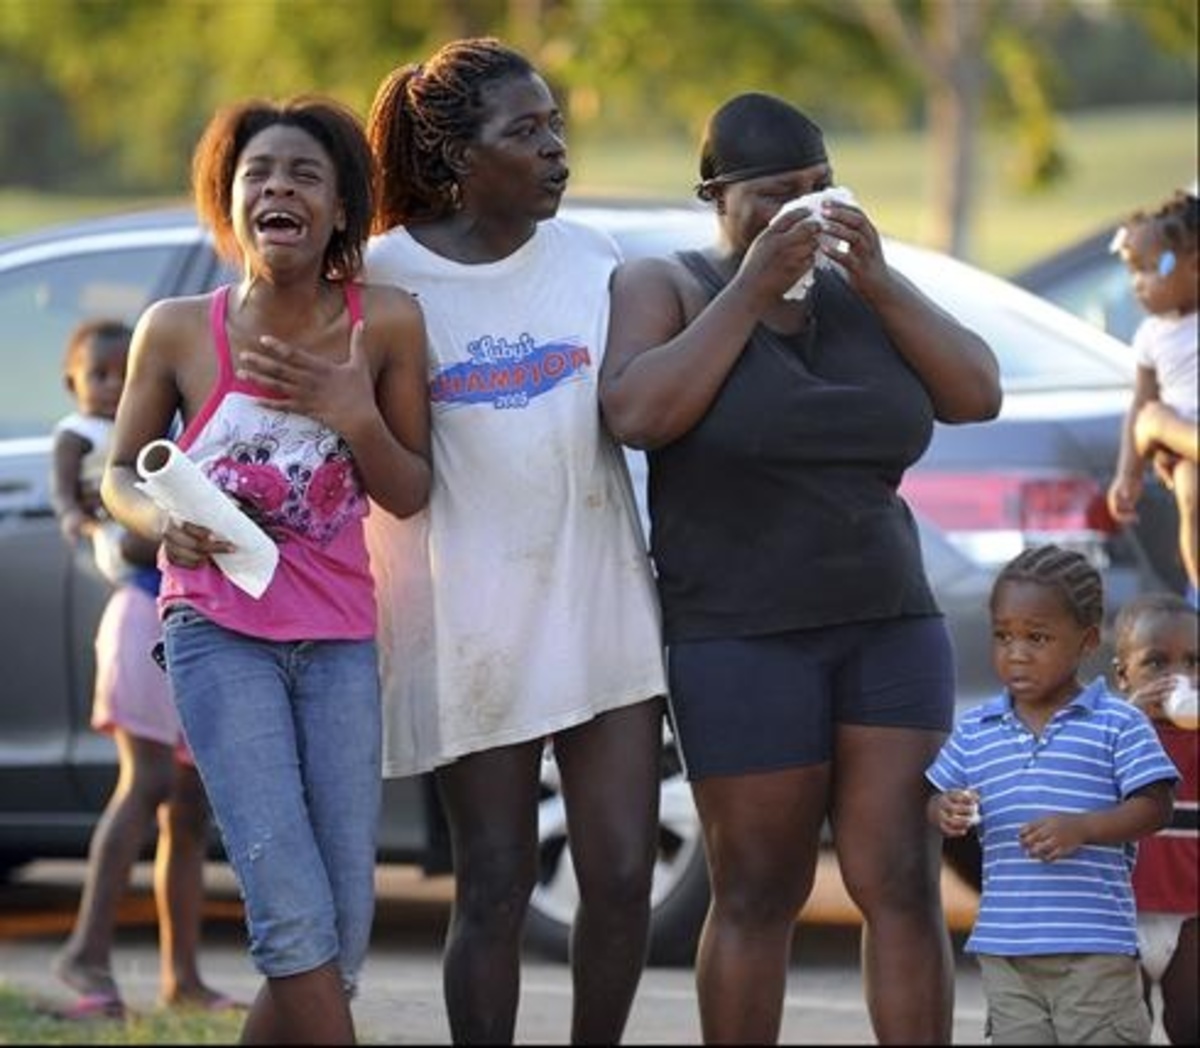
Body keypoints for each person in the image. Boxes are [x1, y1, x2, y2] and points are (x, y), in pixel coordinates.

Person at [597, 90, 1002, 1045]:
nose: (803, 211)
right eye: (777, 195)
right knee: (760, 885)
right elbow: (638, 415)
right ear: (716, 196)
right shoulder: (670, 284)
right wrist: (749, 290)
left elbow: (976, 392)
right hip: (740, 632)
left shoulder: (862, 291)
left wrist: (883, 278)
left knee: (898, 876)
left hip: (887, 619)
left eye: (819, 190)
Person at [101, 95, 432, 1044]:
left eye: (304, 177)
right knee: (289, 906)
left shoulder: (390, 327)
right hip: (215, 633)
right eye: (259, 174)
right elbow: (122, 473)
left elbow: (411, 492)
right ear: (228, 197)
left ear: (339, 211)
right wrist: (159, 520)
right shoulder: (174, 330)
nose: (278, 188)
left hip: (339, 644)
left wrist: (353, 411)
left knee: (343, 931)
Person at [363, 37, 668, 1045]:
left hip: (601, 596)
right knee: (492, 881)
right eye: (524, 132)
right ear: (457, 157)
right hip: (467, 621)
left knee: (621, 874)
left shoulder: (593, 259)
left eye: (556, 126)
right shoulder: (384, 279)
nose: (555, 150)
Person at [50, 319, 234, 1020]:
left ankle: (181, 979)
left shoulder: (183, 437)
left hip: (195, 626)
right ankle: (85, 954)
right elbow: (109, 530)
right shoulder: (108, 451)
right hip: (139, 622)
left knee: (189, 810)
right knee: (147, 781)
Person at [927, 544, 1179, 1045]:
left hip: (1094, 952)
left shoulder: (1117, 722)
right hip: (1007, 951)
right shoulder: (977, 729)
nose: (1016, 652)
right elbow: (935, 796)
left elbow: (1156, 807)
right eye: (1003, 636)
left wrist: (1083, 828)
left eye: (1037, 637)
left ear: (1086, 641)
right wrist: (944, 809)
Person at [1111, 592, 1198, 1045]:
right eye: (1157, 664)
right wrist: (1129, 715)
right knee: (1125, 1026)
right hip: (1118, 913)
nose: (1179, 677)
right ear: (1123, 676)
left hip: (1190, 913)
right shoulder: (1112, 733)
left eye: (1194, 662)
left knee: (1192, 1022)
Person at [1107, 190, 1199, 608]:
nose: (1138, 283)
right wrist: (1128, 474)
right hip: (1182, 453)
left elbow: (1152, 419)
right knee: (1191, 495)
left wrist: (1160, 427)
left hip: (1181, 434)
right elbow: (1141, 407)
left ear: (1196, 265)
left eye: (1150, 269)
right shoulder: (1152, 336)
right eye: (1133, 271)